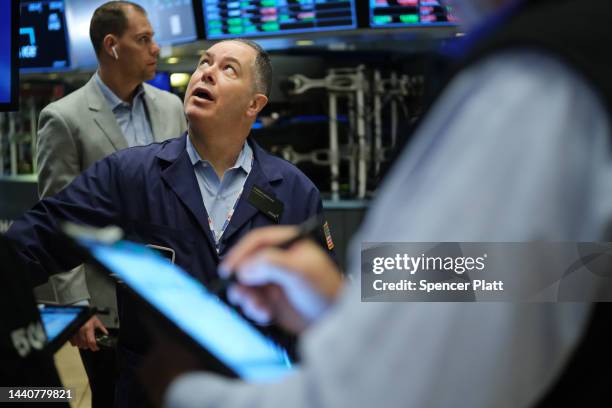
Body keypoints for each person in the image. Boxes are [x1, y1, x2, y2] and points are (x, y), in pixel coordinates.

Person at [136, 0, 612, 407]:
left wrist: (184, 388)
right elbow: (558, 272)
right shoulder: (580, 53)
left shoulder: (529, 84)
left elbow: (378, 397)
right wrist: (348, 302)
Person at [6, 38, 330, 408]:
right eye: (204, 63)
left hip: (252, 396)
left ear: (254, 105)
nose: (206, 71)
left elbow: (314, 314)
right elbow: (37, 238)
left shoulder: (294, 192)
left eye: (228, 69)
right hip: (153, 393)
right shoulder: (130, 175)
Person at [34, 2, 186, 407]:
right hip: (107, 311)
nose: (156, 47)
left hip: (170, 299)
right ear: (112, 46)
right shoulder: (64, 118)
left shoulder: (172, 108)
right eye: (144, 39)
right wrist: (76, 308)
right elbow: (57, 218)